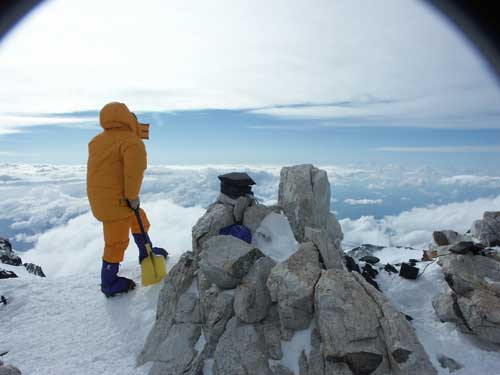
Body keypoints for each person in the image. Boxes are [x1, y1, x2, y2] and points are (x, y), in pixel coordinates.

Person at [86, 102, 167, 297]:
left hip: (102, 197)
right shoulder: (131, 141)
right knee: (116, 241)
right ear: (128, 120)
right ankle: (109, 282)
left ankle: (145, 252)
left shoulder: (97, 140)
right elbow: (134, 173)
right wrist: (132, 197)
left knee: (139, 218)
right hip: (117, 201)